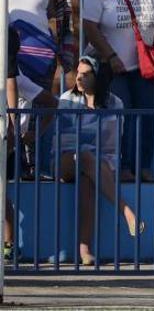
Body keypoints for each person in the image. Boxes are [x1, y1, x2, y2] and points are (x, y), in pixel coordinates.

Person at [82, 0, 154, 182]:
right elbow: (90, 27)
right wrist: (110, 56)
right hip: (113, 68)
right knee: (123, 116)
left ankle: (144, 166)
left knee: (148, 115)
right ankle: (124, 167)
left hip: (146, 66)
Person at [1, 0, 74, 179]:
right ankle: (13, 166)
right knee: (10, 109)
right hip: (10, 53)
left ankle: (33, 166)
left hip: (40, 53)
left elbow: (57, 14)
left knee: (37, 110)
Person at [56, 56, 145, 265]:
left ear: (98, 77)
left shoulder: (115, 103)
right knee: (86, 156)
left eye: (86, 74)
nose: (79, 78)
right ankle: (125, 210)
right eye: (78, 73)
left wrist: (89, 139)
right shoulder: (67, 99)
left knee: (88, 179)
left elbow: (112, 144)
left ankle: (84, 250)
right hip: (66, 160)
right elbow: (64, 139)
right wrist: (90, 140)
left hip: (98, 163)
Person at [4, 27, 20, 261]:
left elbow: (10, 83)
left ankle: (9, 243)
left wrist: (12, 123)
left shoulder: (4, 35)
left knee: (0, 189)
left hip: (0, 122)